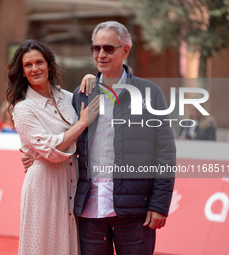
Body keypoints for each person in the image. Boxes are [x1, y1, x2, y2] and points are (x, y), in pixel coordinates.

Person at [71, 21, 176, 255]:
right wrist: (34, 154)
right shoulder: (81, 95)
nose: (101, 54)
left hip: (134, 212)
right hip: (89, 211)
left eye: (108, 48)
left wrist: (159, 205)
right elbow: (66, 140)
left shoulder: (150, 94)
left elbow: (165, 153)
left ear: (125, 51)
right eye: (96, 48)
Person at [6, 39, 99, 255]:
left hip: (72, 182)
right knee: (42, 246)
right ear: (21, 72)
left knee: (68, 244)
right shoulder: (23, 109)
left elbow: (96, 100)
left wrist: (91, 78)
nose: (34, 68)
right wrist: (81, 123)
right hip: (43, 185)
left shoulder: (68, 98)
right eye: (27, 65)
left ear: (49, 64)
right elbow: (49, 150)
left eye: (39, 62)